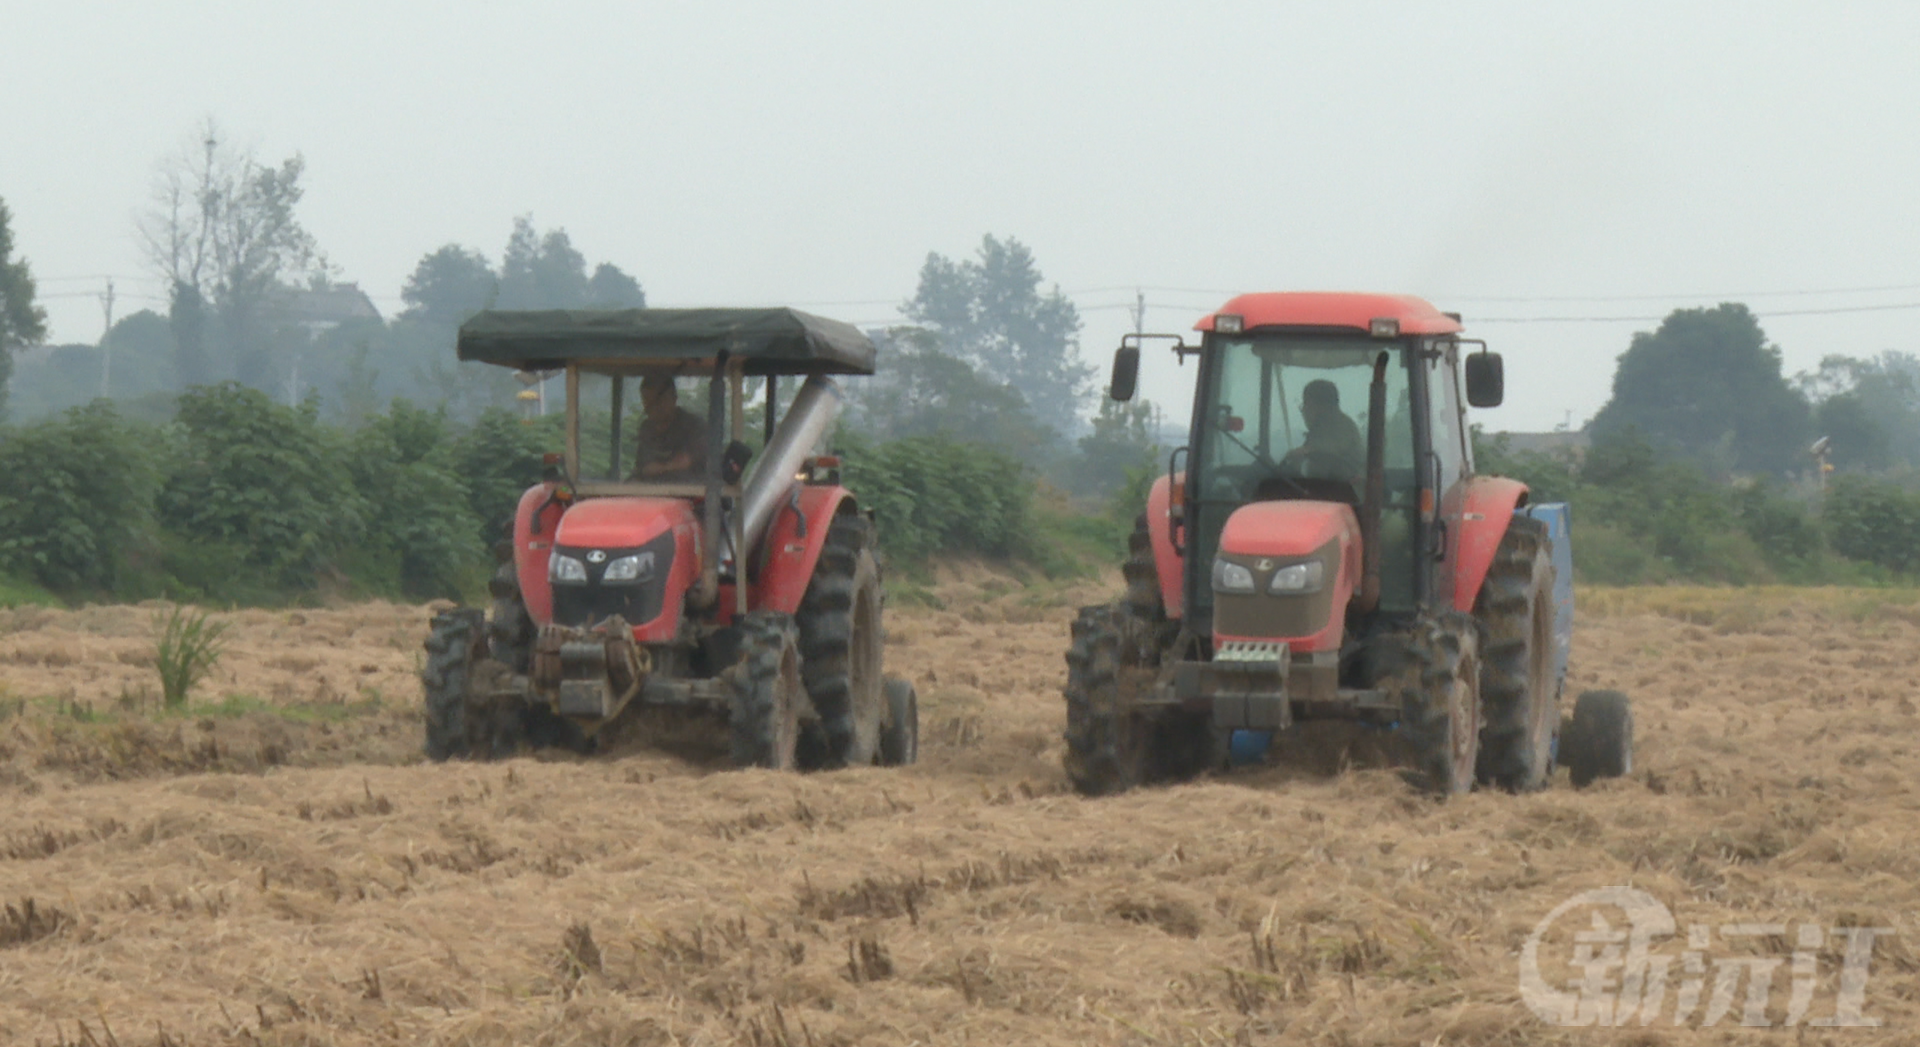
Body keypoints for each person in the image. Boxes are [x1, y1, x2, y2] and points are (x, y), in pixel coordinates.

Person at [1281, 379, 1364, 483]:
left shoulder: (1339, 425)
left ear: (1320, 405)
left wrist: (1303, 452)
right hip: (1329, 488)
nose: (1304, 410)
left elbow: (1329, 450)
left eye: (1306, 404)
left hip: (1345, 492)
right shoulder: (1321, 428)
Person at [631, 374, 708, 482]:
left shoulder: (694, 426)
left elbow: (685, 461)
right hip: (651, 494)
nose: (651, 407)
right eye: (647, 401)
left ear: (674, 398)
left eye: (658, 401)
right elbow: (643, 468)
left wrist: (663, 467)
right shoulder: (647, 428)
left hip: (691, 492)